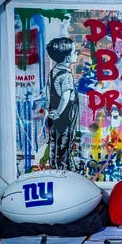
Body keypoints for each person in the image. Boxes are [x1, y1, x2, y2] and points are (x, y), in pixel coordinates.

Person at [46, 37, 80, 170]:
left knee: (54, 140)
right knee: (64, 142)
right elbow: (65, 97)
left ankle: (53, 164)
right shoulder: (66, 75)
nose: (77, 53)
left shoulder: (53, 72)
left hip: (53, 112)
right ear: (67, 58)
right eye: (75, 52)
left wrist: (51, 111)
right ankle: (63, 168)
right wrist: (59, 113)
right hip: (64, 115)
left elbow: (49, 92)